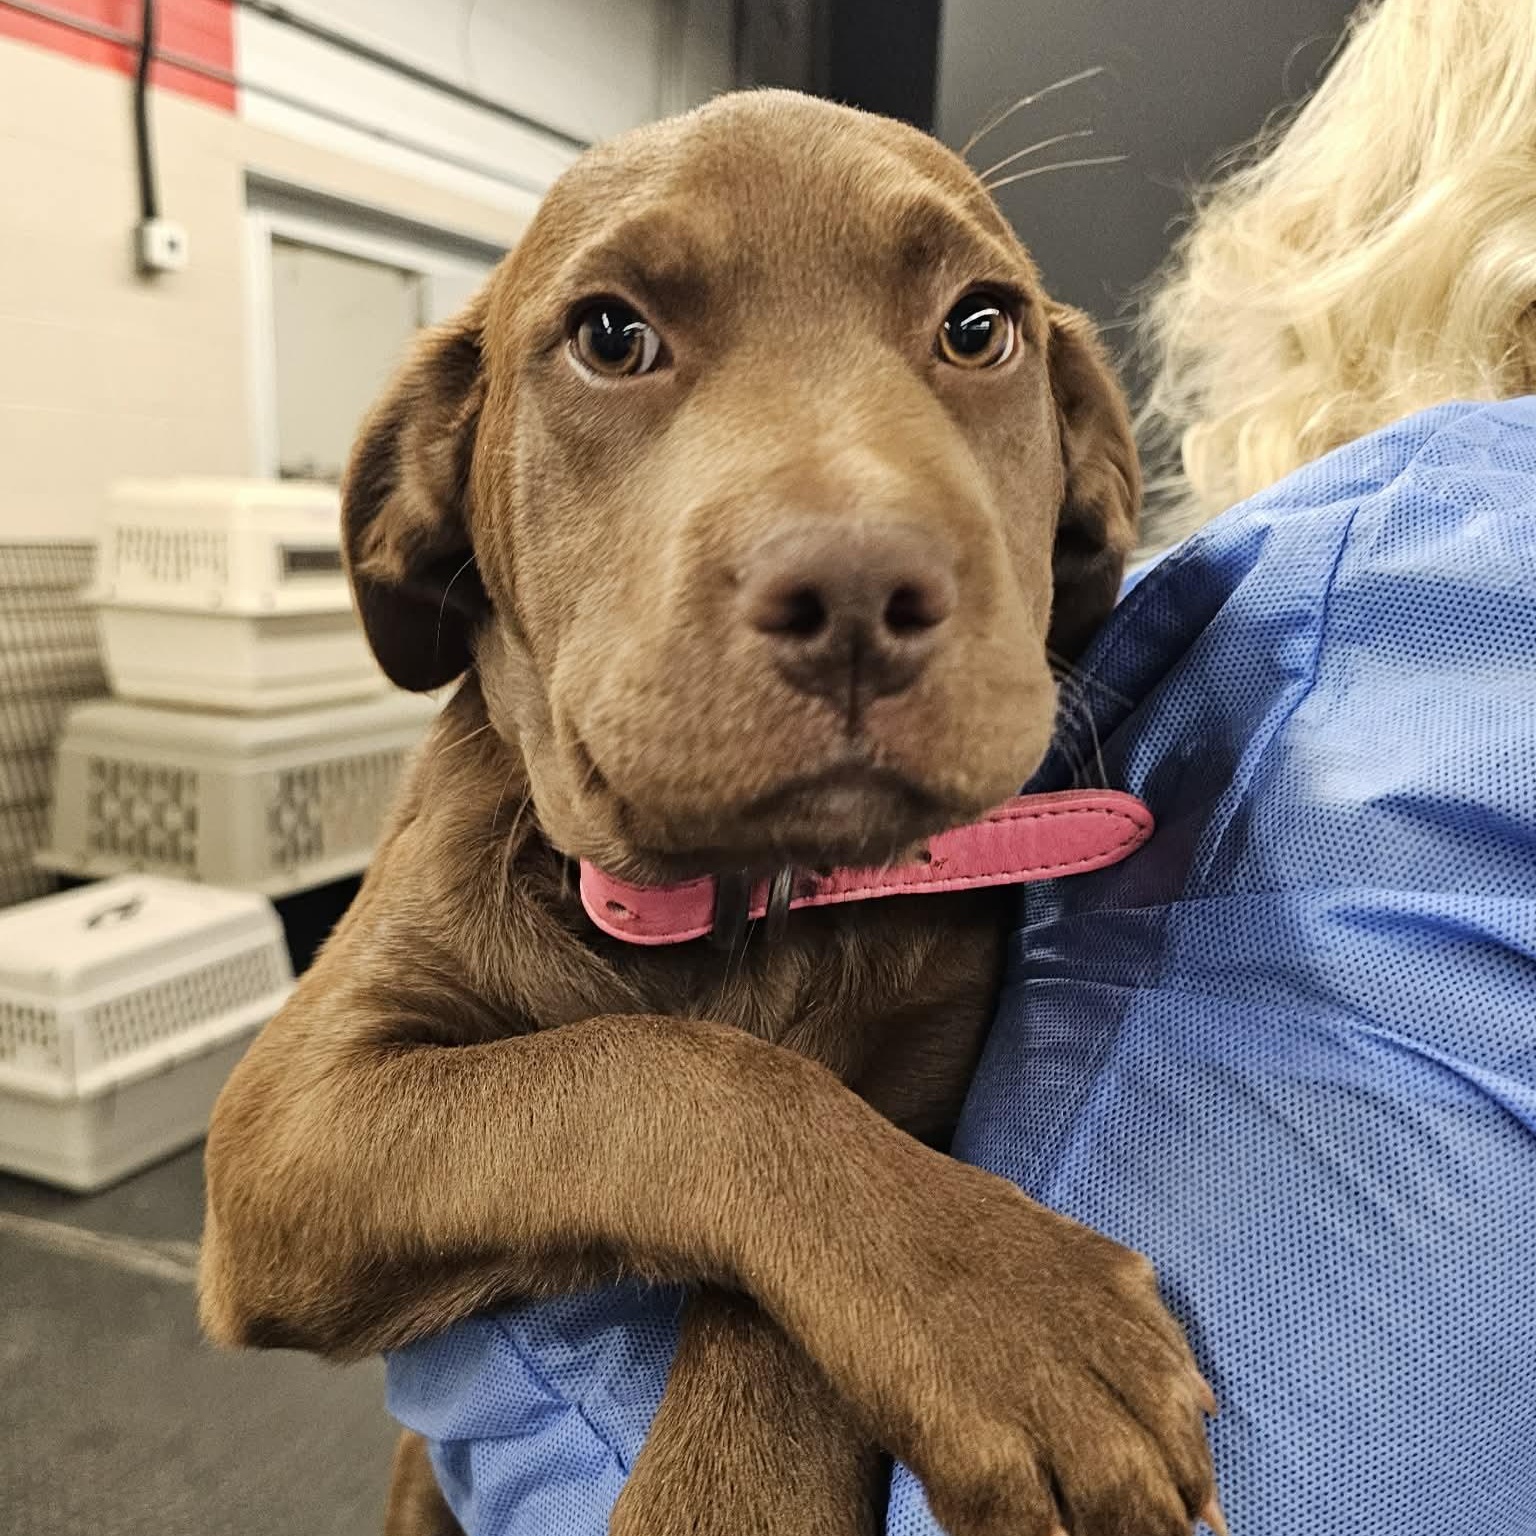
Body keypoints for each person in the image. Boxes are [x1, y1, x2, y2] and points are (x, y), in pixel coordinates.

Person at [388, 2, 1536, 1531]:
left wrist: (807, 1310)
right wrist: (791, 1190)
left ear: (1081, 487)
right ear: (442, 482)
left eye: (971, 332)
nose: (856, 528)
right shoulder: (488, 818)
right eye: (616, 336)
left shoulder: (1203, 711)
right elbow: (275, 1208)